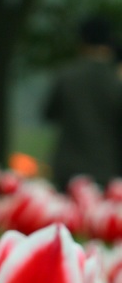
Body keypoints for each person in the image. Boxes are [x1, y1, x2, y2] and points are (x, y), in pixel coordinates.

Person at [44, 16, 122, 191]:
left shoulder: (66, 77)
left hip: (67, 169)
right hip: (105, 169)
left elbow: (49, 113)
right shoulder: (115, 81)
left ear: (82, 42)